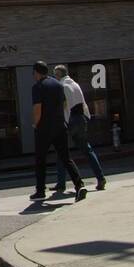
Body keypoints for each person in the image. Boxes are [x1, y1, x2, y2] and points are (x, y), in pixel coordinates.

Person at [30, 61, 85, 201]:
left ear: (36, 72)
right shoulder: (58, 84)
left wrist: (35, 124)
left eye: (33, 73)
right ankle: (80, 185)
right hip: (60, 126)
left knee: (40, 159)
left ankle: (40, 191)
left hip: (44, 128)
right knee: (66, 158)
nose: (33, 75)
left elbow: (37, 108)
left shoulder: (38, 87)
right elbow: (65, 104)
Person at [54, 65, 106, 191]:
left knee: (61, 151)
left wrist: (62, 122)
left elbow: (64, 106)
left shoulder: (62, 86)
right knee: (87, 150)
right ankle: (100, 177)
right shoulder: (75, 84)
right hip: (81, 118)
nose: (54, 76)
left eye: (55, 74)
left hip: (70, 120)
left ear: (59, 74)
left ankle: (61, 183)